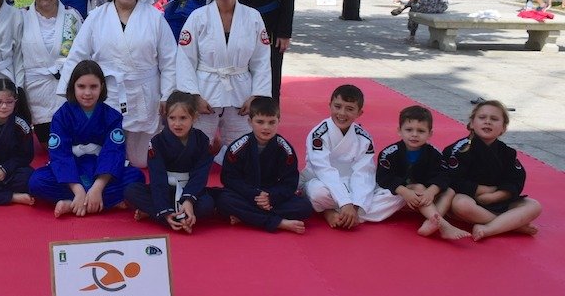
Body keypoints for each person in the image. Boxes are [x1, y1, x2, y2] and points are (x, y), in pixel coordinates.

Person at [58, 0, 178, 168]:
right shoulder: (96, 17)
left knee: (141, 160)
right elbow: (78, 54)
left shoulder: (155, 18)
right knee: (109, 152)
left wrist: (168, 95)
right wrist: (68, 92)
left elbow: (169, 61)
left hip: (144, 92)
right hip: (109, 93)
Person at [176, 0, 271, 153]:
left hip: (241, 93)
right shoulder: (198, 16)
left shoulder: (253, 17)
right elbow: (185, 59)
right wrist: (193, 96)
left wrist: (256, 95)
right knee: (196, 147)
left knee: (243, 149)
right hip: (205, 92)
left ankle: (226, 159)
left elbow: (261, 60)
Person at [29, 60, 144, 217]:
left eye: (93, 87)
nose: (87, 93)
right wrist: (77, 189)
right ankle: (96, 201)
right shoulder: (61, 116)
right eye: (81, 86)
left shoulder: (112, 116)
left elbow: (113, 152)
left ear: (102, 87)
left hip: (101, 171)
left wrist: (98, 187)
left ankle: (73, 204)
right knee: (36, 181)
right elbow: (60, 155)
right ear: (72, 87)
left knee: (137, 178)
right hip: (72, 171)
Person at [299, 84, 405, 229]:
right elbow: (324, 170)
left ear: (359, 113)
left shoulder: (364, 138)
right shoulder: (318, 134)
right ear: (330, 106)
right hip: (322, 182)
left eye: (349, 109)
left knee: (397, 197)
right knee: (317, 193)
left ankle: (339, 213)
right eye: (337, 106)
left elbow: (364, 173)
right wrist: (345, 202)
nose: (342, 113)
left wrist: (355, 205)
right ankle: (337, 212)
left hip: (352, 185)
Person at [445, 100, 542, 241]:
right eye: (482, 118)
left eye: (494, 119)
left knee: (534, 206)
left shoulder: (507, 152)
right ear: (472, 123)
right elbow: (451, 179)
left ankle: (489, 228)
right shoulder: (460, 149)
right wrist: (480, 189)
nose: (488, 122)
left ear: (503, 128)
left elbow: (516, 180)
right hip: (470, 199)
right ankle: (513, 225)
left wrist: (496, 196)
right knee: (460, 204)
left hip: (498, 199)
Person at [215, 96, 313, 233]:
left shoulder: (285, 149)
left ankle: (246, 217)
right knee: (224, 200)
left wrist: (270, 197)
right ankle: (278, 222)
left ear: (279, 121)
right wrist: (255, 195)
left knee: (305, 207)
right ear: (250, 122)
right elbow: (229, 179)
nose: (266, 127)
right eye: (260, 122)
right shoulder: (238, 147)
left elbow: (290, 183)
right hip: (247, 194)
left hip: (271, 196)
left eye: (271, 122)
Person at [125, 91, 215, 233]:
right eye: (172, 118)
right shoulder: (157, 142)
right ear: (166, 117)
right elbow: (157, 178)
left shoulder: (202, 141)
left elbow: (200, 175)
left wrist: (188, 200)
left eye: (183, 118)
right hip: (164, 188)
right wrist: (165, 211)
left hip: (190, 188)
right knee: (131, 191)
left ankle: (156, 214)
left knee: (207, 205)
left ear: (195, 117)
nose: (177, 124)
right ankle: (174, 217)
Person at [376, 105, 470, 239]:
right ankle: (444, 226)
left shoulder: (435, 154)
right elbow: (383, 177)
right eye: (409, 130)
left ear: (430, 134)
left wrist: (431, 191)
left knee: (450, 191)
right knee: (418, 187)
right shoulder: (389, 153)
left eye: (421, 131)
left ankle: (430, 222)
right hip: (398, 197)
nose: (414, 134)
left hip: (425, 199)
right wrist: (405, 191)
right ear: (399, 131)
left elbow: (443, 175)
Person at [20, 0, 82, 144]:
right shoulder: (21, 17)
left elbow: (84, 51)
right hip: (36, 89)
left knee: (70, 142)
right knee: (50, 144)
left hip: (65, 87)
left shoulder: (72, 16)